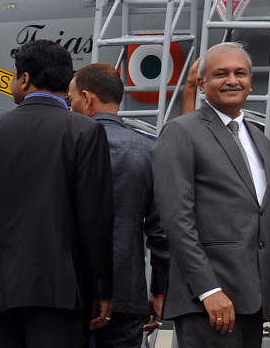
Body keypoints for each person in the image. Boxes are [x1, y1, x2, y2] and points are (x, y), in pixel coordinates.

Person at [0, 39, 114, 348]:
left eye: (14, 75)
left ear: (25, 79)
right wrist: (101, 288)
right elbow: (95, 219)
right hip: (62, 294)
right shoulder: (86, 132)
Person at [152, 42, 270, 348]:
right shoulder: (181, 132)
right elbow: (177, 221)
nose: (232, 80)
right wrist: (208, 290)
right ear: (202, 84)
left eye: (240, 73)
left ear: (250, 82)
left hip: (253, 303)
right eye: (221, 74)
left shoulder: (260, 139)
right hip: (208, 303)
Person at [68, 62, 169, 348]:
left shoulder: (66, 147)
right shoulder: (149, 151)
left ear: (87, 99)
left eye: (72, 98)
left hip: (72, 292)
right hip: (127, 293)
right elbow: (160, 233)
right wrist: (160, 292)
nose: (70, 105)